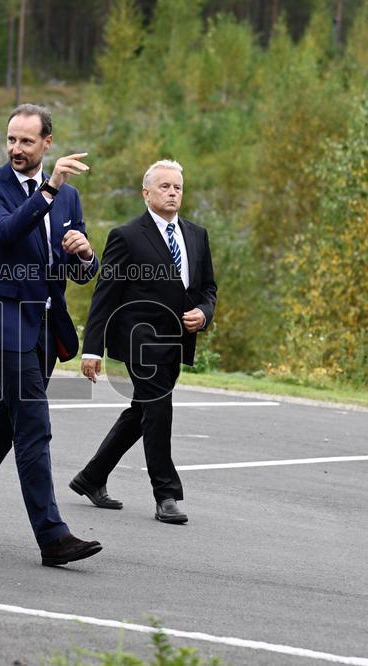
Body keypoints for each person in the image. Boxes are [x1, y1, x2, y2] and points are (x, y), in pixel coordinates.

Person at [0, 104, 102, 567]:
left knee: (5, 424)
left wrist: (85, 253)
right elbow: (6, 232)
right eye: (11, 139)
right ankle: (53, 537)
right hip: (3, 317)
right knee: (33, 423)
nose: (16, 148)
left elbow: (79, 271)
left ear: (46, 143)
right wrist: (50, 188)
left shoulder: (69, 199)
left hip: (46, 324)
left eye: (26, 141)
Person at [72, 160, 217, 524]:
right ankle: (166, 494)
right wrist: (92, 349)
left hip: (177, 342)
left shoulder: (197, 235)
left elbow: (208, 289)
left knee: (143, 412)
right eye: (164, 186)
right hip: (140, 341)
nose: (172, 192)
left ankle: (92, 477)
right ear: (146, 193)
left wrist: (204, 312)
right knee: (158, 410)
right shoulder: (127, 235)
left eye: (177, 187)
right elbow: (105, 295)